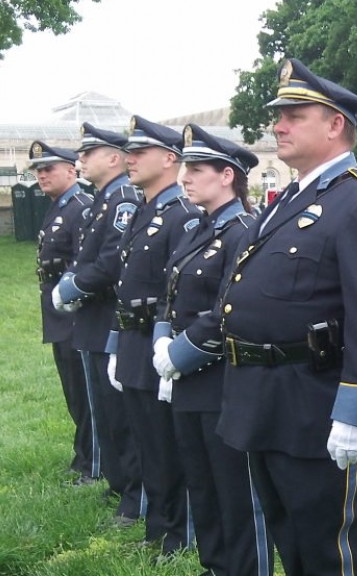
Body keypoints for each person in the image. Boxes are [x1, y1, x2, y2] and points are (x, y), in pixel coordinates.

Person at [216, 58, 357, 576]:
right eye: (279, 114)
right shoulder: (290, 198)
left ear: (334, 125)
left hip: (315, 407)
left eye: (295, 114)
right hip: (266, 400)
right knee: (290, 539)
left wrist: (354, 411)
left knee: (328, 546)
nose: (278, 124)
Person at [151, 124, 272, 576]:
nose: (186, 178)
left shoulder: (243, 231)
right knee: (202, 486)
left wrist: (178, 354)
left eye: (197, 169)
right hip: (187, 381)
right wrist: (162, 339)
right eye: (186, 168)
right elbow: (172, 291)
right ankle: (216, 565)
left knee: (236, 492)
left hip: (222, 379)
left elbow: (230, 310)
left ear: (227, 176)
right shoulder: (196, 228)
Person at [106, 115, 201, 556]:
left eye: (139, 152)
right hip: (132, 340)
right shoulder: (146, 211)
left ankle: (179, 533)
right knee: (148, 441)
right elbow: (124, 282)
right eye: (128, 152)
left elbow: (180, 290)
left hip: (157, 341)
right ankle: (159, 526)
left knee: (169, 446)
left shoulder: (183, 215)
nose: (130, 159)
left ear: (169, 159)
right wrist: (114, 345)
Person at [54, 123, 145, 523]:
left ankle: (133, 494)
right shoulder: (102, 200)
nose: (81, 159)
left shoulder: (122, 198)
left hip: (106, 313)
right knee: (102, 412)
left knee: (118, 414)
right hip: (91, 318)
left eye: (89, 153)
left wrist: (73, 287)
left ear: (113, 157)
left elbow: (110, 261)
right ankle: (117, 481)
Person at [32, 140, 98, 484]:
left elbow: (81, 263)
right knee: (72, 390)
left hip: (75, 312)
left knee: (84, 393)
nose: (42, 175)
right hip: (58, 312)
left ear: (71, 170)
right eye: (38, 170)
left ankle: (92, 462)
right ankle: (84, 454)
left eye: (48, 169)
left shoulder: (81, 206)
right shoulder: (59, 205)